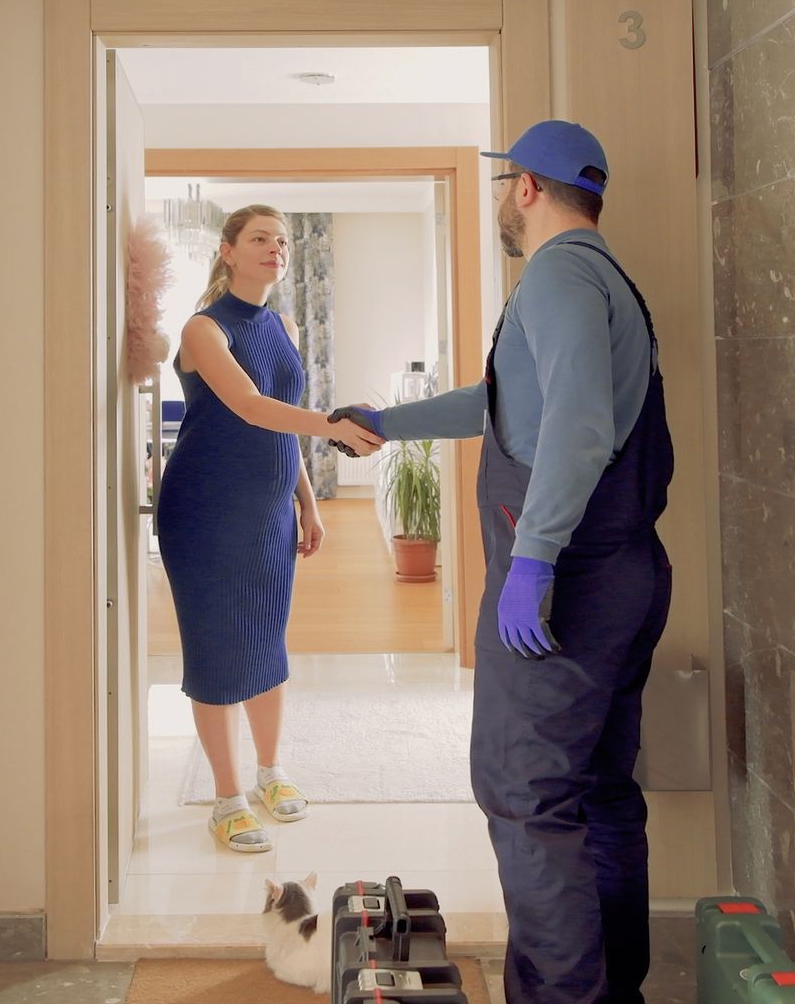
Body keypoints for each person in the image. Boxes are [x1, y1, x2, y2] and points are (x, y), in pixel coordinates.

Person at [331, 122, 674, 1003]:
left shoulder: (557, 275)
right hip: (623, 572)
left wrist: (534, 561)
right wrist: (391, 420)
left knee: (526, 798)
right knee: (597, 793)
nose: (499, 198)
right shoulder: (603, 278)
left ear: (526, 187)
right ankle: (609, 991)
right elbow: (508, 404)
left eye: (502, 183)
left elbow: (579, 425)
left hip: (568, 588)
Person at [155, 204, 383, 855]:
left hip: (267, 513)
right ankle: (227, 800)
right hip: (205, 511)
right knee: (216, 654)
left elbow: (282, 424)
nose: (275, 249)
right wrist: (336, 427)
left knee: (265, 645)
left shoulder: (281, 323)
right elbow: (252, 408)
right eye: (259, 238)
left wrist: (305, 501)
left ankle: (270, 773)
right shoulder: (203, 328)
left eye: (281, 241)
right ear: (228, 251)